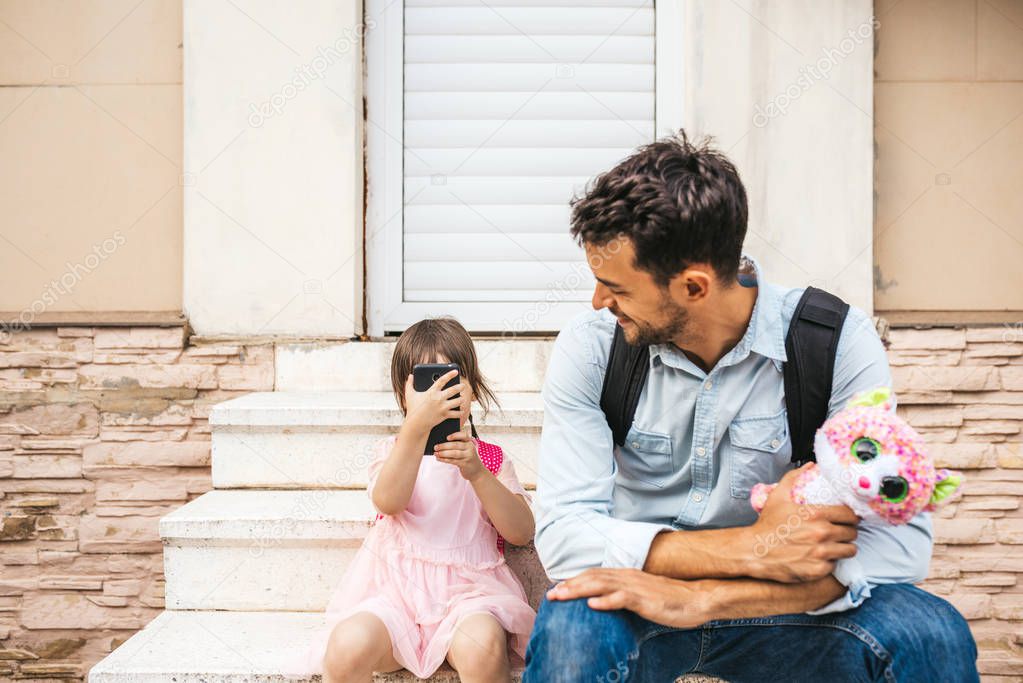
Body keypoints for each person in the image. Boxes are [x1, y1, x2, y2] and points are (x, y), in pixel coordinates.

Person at [522, 131, 978, 682]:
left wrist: (710, 598)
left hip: (789, 604)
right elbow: (566, 536)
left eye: (614, 286)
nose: (599, 301)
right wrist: (752, 547)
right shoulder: (593, 347)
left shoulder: (834, 342)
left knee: (930, 635)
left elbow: (900, 547)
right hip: (640, 599)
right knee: (572, 631)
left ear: (693, 286)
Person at [296, 317, 536, 682]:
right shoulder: (394, 452)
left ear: (473, 390)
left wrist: (477, 474)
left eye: (451, 384)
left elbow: (521, 531)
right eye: (427, 388)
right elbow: (388, 501)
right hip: (395, 599)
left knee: (483, 646)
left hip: (469, 598)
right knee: (346, 646)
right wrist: (414, 431)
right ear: (402, 396)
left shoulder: (487, 459)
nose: (438, 399)